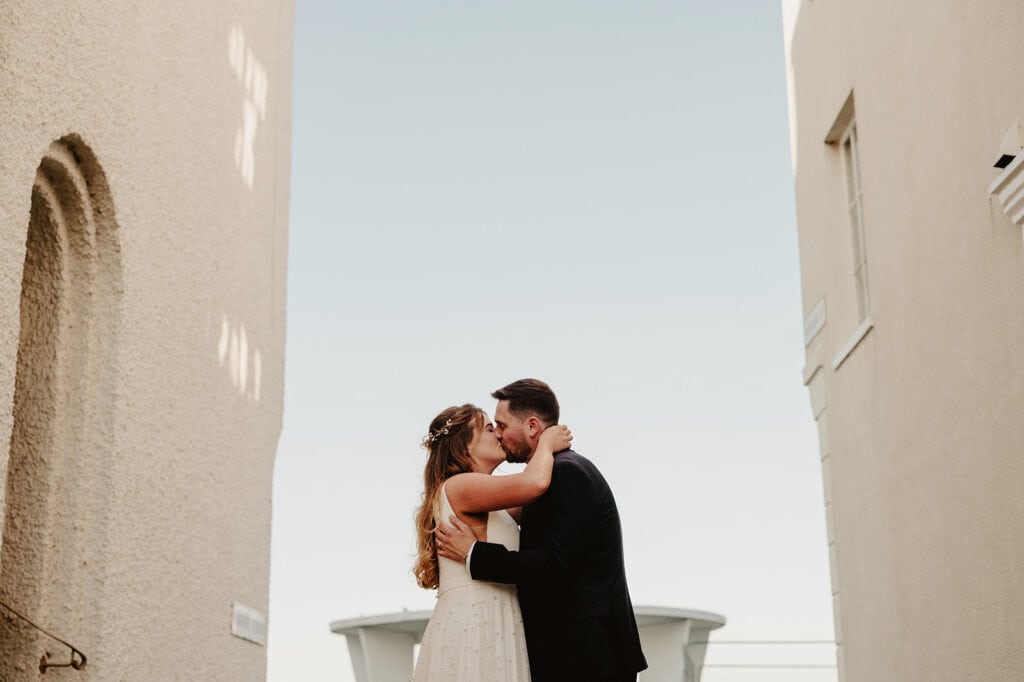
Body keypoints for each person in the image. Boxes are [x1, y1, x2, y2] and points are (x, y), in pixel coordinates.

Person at [436, 379, 648, 682]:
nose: (498, 433)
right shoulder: (543, 479)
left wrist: (475, 553)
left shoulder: (566, 473)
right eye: (491, 427)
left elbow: (554, 564)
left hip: (585, 656)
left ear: (533, 426)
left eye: (501, 424)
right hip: (566, 654)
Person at [412, 403, 572, 682]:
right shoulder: (460, 485)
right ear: (465, 447)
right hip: (476, 618)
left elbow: (535, 501)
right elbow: (533, 484)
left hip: (496, 614)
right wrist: (544, 444)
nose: (498, 434)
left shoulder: (488, 499)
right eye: (488, 428)